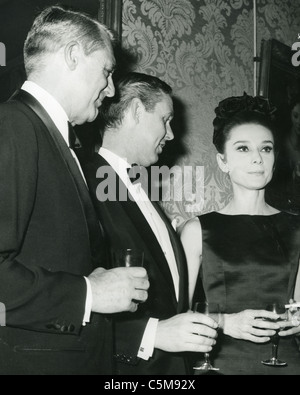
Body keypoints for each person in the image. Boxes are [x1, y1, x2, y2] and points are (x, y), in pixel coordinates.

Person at [0, 6, 149, 375]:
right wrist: (90, 293)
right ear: (72, 55)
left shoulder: (51, 137)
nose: (111, 89)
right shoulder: (13, 125)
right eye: (107, 71)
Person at [81, 71, 218, 375]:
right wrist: (151, 333)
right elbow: (73, 298)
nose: (171, 134)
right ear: (136, 111)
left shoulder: (138, 186)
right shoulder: (82, 182)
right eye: (165, 120)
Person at [180, 93, 300, 375]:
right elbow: (177, 315)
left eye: (266, 149)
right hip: (220, 364)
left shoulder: (297, 228)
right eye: (243, 149)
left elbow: (297, 305)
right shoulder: (197, 230)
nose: (257, 159)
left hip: (286, 363)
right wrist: (225, 322)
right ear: (223, 161)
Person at [267, 95, 300, 214]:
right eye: (296, 116)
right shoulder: (278, 143)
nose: (299, 122)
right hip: (276, 209)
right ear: (290, 115)